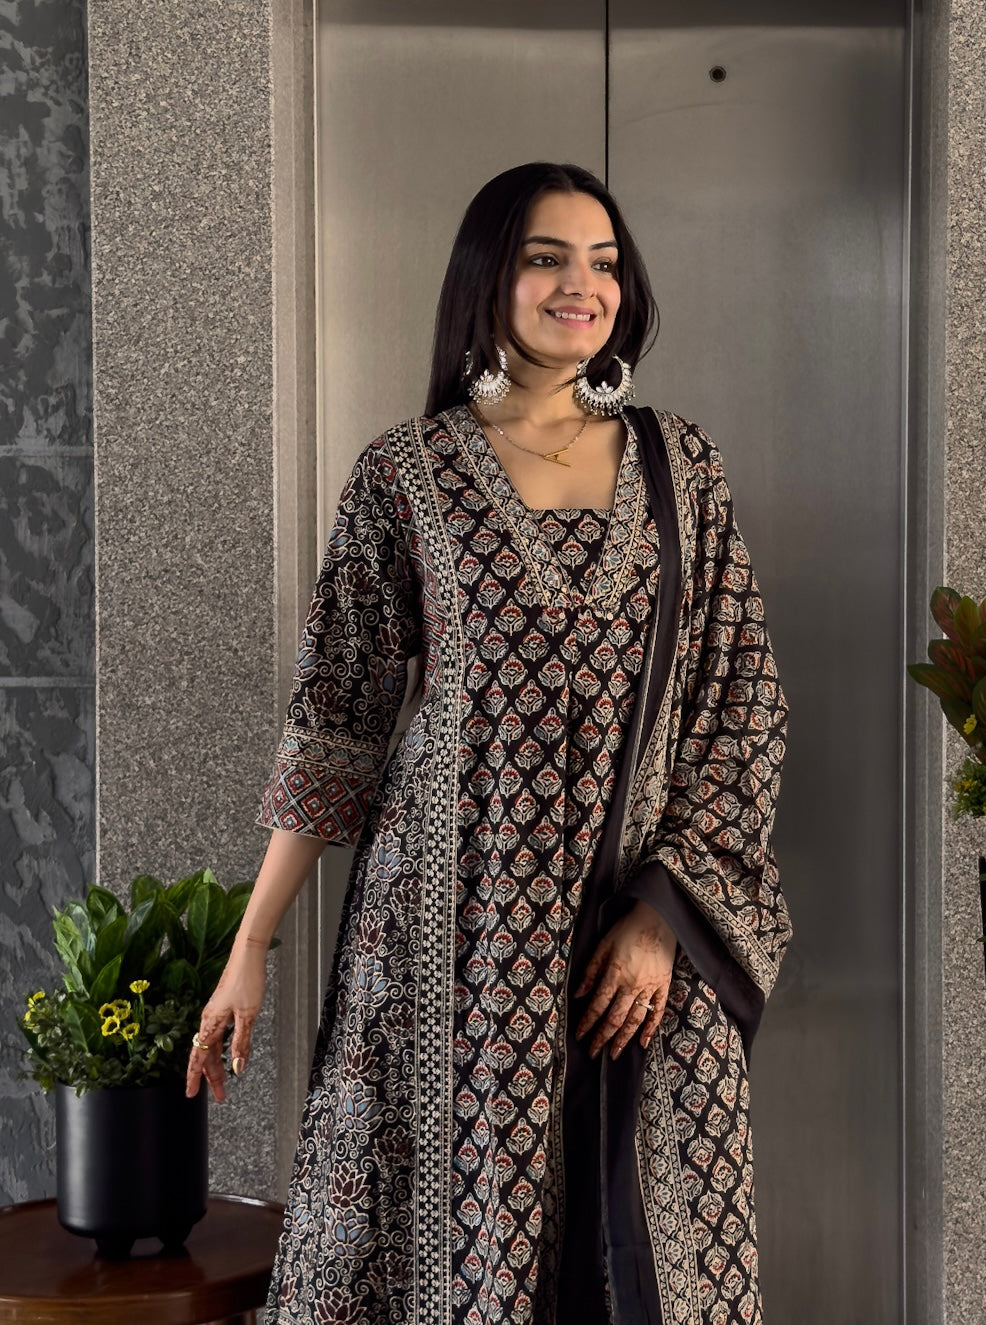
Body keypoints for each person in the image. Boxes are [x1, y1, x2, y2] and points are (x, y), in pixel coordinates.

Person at [187, 162, 792, 1325]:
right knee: (448, 1244)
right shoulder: (403, 472)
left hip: (632, 939)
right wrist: (251, 944)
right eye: (544, 258)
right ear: (486, 279)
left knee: (646, 1251)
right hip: (447, 943)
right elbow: (335, 723)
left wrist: (664, 917)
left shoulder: (680, 467)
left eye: (602, 262)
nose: (581, 285)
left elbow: (741, 708)